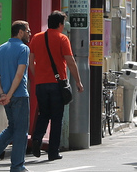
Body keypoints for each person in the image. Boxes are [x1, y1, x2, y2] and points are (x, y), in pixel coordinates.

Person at [28, 11, 84, 161]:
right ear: (60, 24)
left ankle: (37, 139)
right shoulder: (62, 39)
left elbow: (30, 61)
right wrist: (78, 81)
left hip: (40, 84)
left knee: (43, 114)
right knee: (57, 118)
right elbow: (70, 61)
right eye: (63, 24)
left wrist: (37, 75)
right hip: (56, 85)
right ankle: (53, 152)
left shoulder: (36, 38)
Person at [0, 21, 32, 172]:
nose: (30, 33)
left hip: (7, 97)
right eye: (28, 31)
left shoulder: (1, 49)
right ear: (20, 32)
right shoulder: (24, 49)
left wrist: (2, 93)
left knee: (13, 127)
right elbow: (19, 74)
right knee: (21, 131)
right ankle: (17, 166)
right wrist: (9, 95)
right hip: (19, 95)